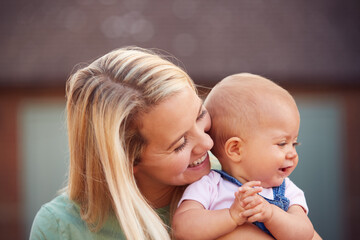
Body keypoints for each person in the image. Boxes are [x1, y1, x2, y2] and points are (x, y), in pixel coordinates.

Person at [30, 48, 275, 240]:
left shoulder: (236, 176)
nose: (208, 142)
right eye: (180, 144)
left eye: (200, 115)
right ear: (127, 160)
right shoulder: (59, 228)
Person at [173, 73, 316, 240]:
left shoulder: (287, 191)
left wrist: (271, 215)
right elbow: (183, 228)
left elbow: (305, 234)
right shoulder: (209, 186)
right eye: (282, 143)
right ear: (235, 149)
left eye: (294, 144)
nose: (292, 153)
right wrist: (231, 216)